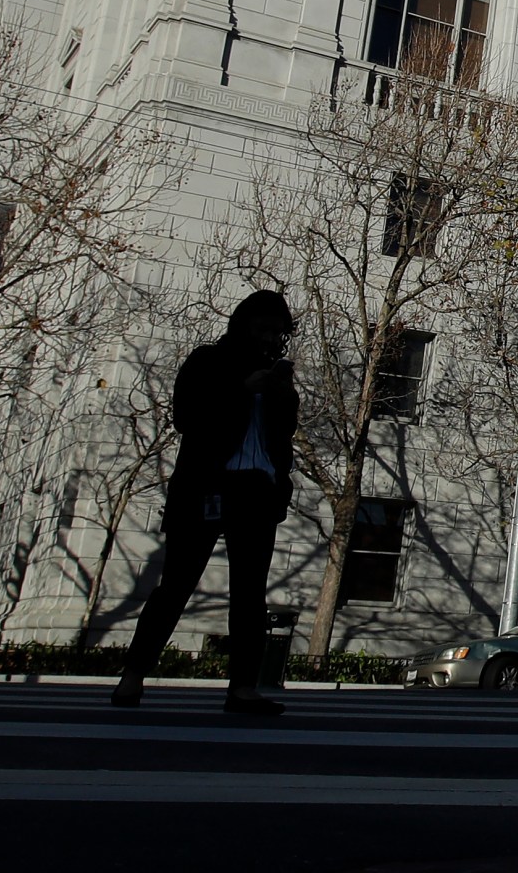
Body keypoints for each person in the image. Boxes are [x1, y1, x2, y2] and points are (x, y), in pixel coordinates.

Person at [113, 290, 300, 716]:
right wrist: (241, 390)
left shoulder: (275, 371)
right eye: (264, 329)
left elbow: (281, 434)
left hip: (258, 488)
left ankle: (243, 688)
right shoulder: (208, 361)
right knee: (177, 584)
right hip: (207, 487)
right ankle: (133, 675)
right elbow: (186, 417)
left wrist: (282, 394)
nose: (271, 338)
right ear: (244, 325)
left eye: (278, 331)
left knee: (251, 594)